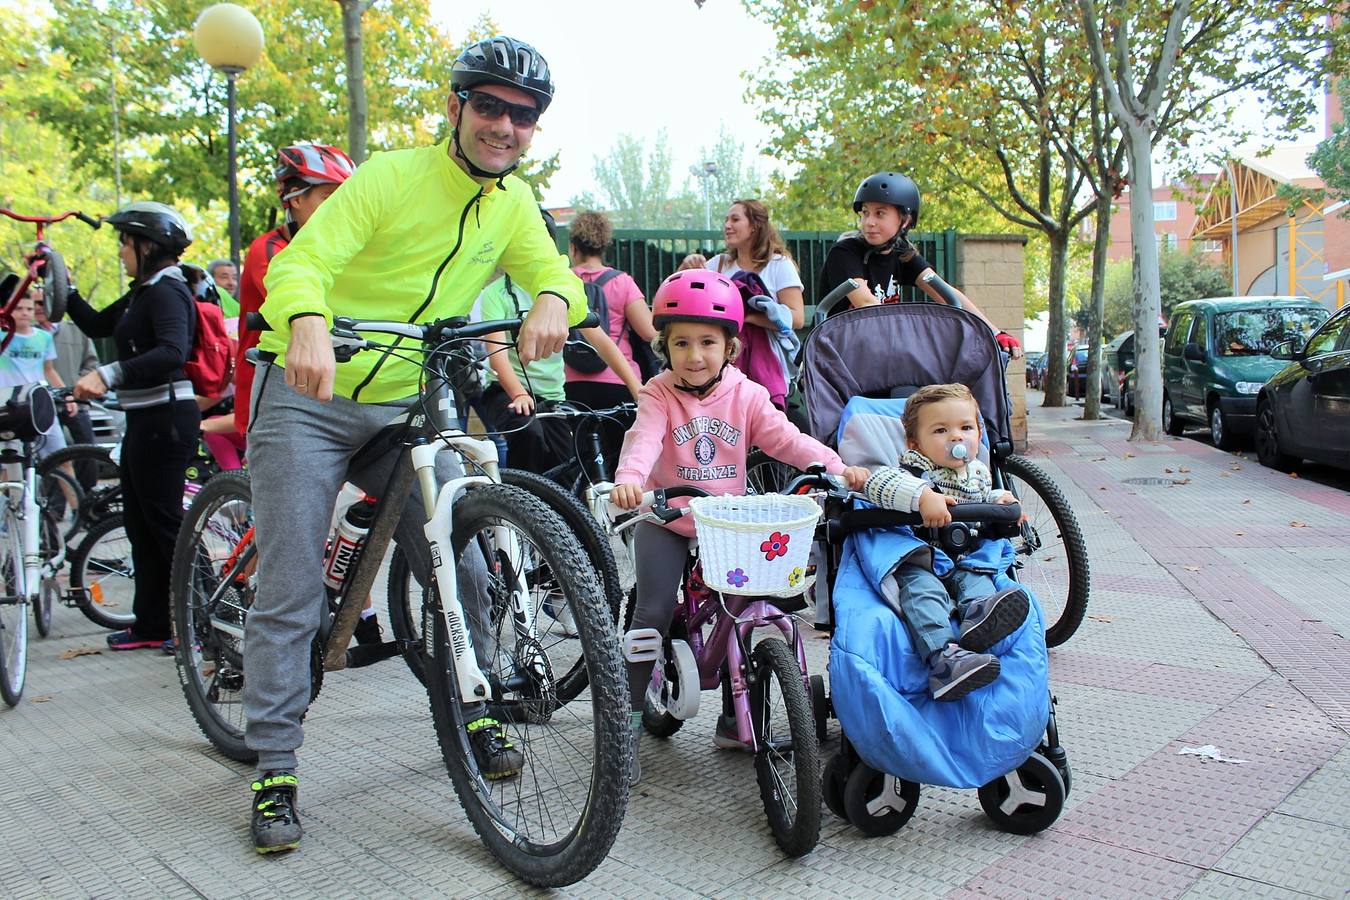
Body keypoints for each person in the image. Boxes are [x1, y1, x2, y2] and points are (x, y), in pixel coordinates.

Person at [243, 36, 586, 855]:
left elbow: (559, 274)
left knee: (460, 558)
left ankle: (478, 703)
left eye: (524, 115)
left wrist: (550, 297)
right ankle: (274, 765)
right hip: (310, 394)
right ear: (456, 107)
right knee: (292, 584)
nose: (505, 125)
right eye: (491, 106)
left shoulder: (512, 204)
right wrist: (309, 322)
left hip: (402, 403)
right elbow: (305, 263)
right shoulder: (391, 176)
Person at [609, 270, 869, 784]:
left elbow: (785, 439)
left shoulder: (746, 394)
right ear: (665, 346)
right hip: (665, 517)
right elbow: (643, 439)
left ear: (729, 347)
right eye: (681, 343)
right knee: (654, 610)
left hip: (723, 523)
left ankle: (734, 717)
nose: (694, 355)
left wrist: (836, 467)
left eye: (708, 342)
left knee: (740, 603)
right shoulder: (658, 393)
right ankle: (626, 726)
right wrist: (630, 481)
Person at [66, 202, 201, 652]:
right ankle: (152, 624)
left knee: (166, 526)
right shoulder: (142, 292)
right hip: (145, 420)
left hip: (165, 420)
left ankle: (199, 622)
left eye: (125, 242)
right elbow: (95, 323)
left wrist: (107, 374)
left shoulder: (168, 292)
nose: (121, 251)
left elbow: (171, 351)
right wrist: (61, 286)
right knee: (141, 525)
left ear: (147, 246)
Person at [860, 383, 1029, 701]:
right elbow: (877, 482)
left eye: (966, 427)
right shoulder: (911, 471)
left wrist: (998, 500)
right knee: (924, 595)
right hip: (923, 560)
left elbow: (978, 496)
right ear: (915, 442)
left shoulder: (977, 471)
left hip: (965, 558)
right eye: (940, 430)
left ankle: (979, 618)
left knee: (977, 578)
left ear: (979, 433)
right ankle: (944, 660)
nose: (956, 437)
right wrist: (922, 496)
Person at [819, 172, 1022, 358]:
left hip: (877, 356)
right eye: (865, 213)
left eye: (880, 213)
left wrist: (993, 332)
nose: (868, 222)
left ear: (905, 220)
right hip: (836, 353)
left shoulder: (902, 255)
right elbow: (866, 304)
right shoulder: (845, 252)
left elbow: (946, 294)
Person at [235, 141, 356, 437]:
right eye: (328, 198)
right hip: (272, 388)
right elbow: (295, 300)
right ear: (296, 198)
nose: (337, 210)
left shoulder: (340, 252)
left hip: (326, 388)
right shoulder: (269, 250)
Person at [563, 210, 656, 476]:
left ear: (572, 247)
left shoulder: (564, 282)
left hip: (572, 384)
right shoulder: (622, 282)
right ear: (604, 245)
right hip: (620, 382)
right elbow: (649, 332)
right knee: (623, 460)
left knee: (582, 463)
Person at [705, 199, 804, 409]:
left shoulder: (779, 265)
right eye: (726, 220)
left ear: (754, 226)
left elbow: (796, 318)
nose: (727, 225)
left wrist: (747, 317)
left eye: (735, 219)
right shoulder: (717, 264)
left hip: (767, 360)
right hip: (722, 362)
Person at [33, 287, 99, 486]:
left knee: (87, 450)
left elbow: (91, 363)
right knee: (52, 456)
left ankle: (89, 501)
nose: (37, 308)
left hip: (73, 399)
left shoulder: (76, 330)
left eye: (41, 303)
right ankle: (54, 509)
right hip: (43, 403)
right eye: (33, 303)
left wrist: (78, 386)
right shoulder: (27, 334)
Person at [0, 287, 73, 459]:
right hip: (10, 405)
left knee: (61, 458)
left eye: (29, 309)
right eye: (18, 308)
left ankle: (72, 487)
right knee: (11, 463)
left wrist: (67, 395)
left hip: (40, 403)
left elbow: (49, 370)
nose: (24, 313)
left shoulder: (44, 337)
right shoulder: (3, 337)